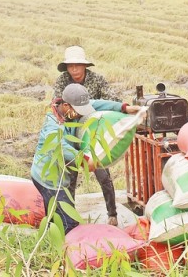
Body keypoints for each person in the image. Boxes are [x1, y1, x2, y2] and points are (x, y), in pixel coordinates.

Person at [31, 83, 141, 234]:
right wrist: (83, 159)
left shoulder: (73, 111)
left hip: (65, 172)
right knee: (67, 222)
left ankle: (53, 240)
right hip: (50, 179)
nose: (79, 114)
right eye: (77, 110)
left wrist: (124, 108)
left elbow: (97, 104)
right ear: (65, 105)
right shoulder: (52, 123)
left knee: (58, 216)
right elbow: (59, 146)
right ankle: (64, 247)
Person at [53, 46, 122, 226]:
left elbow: (112, 99)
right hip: (71, 131)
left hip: (93, 132)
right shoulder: (62, 82)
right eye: (71, 66)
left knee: (102, 172)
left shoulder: (97, 80)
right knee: (70, 176)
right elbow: (57, 105)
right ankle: (70, 217)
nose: (74, 70)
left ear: (85, 66)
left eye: (78, 65)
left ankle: (112, 214)